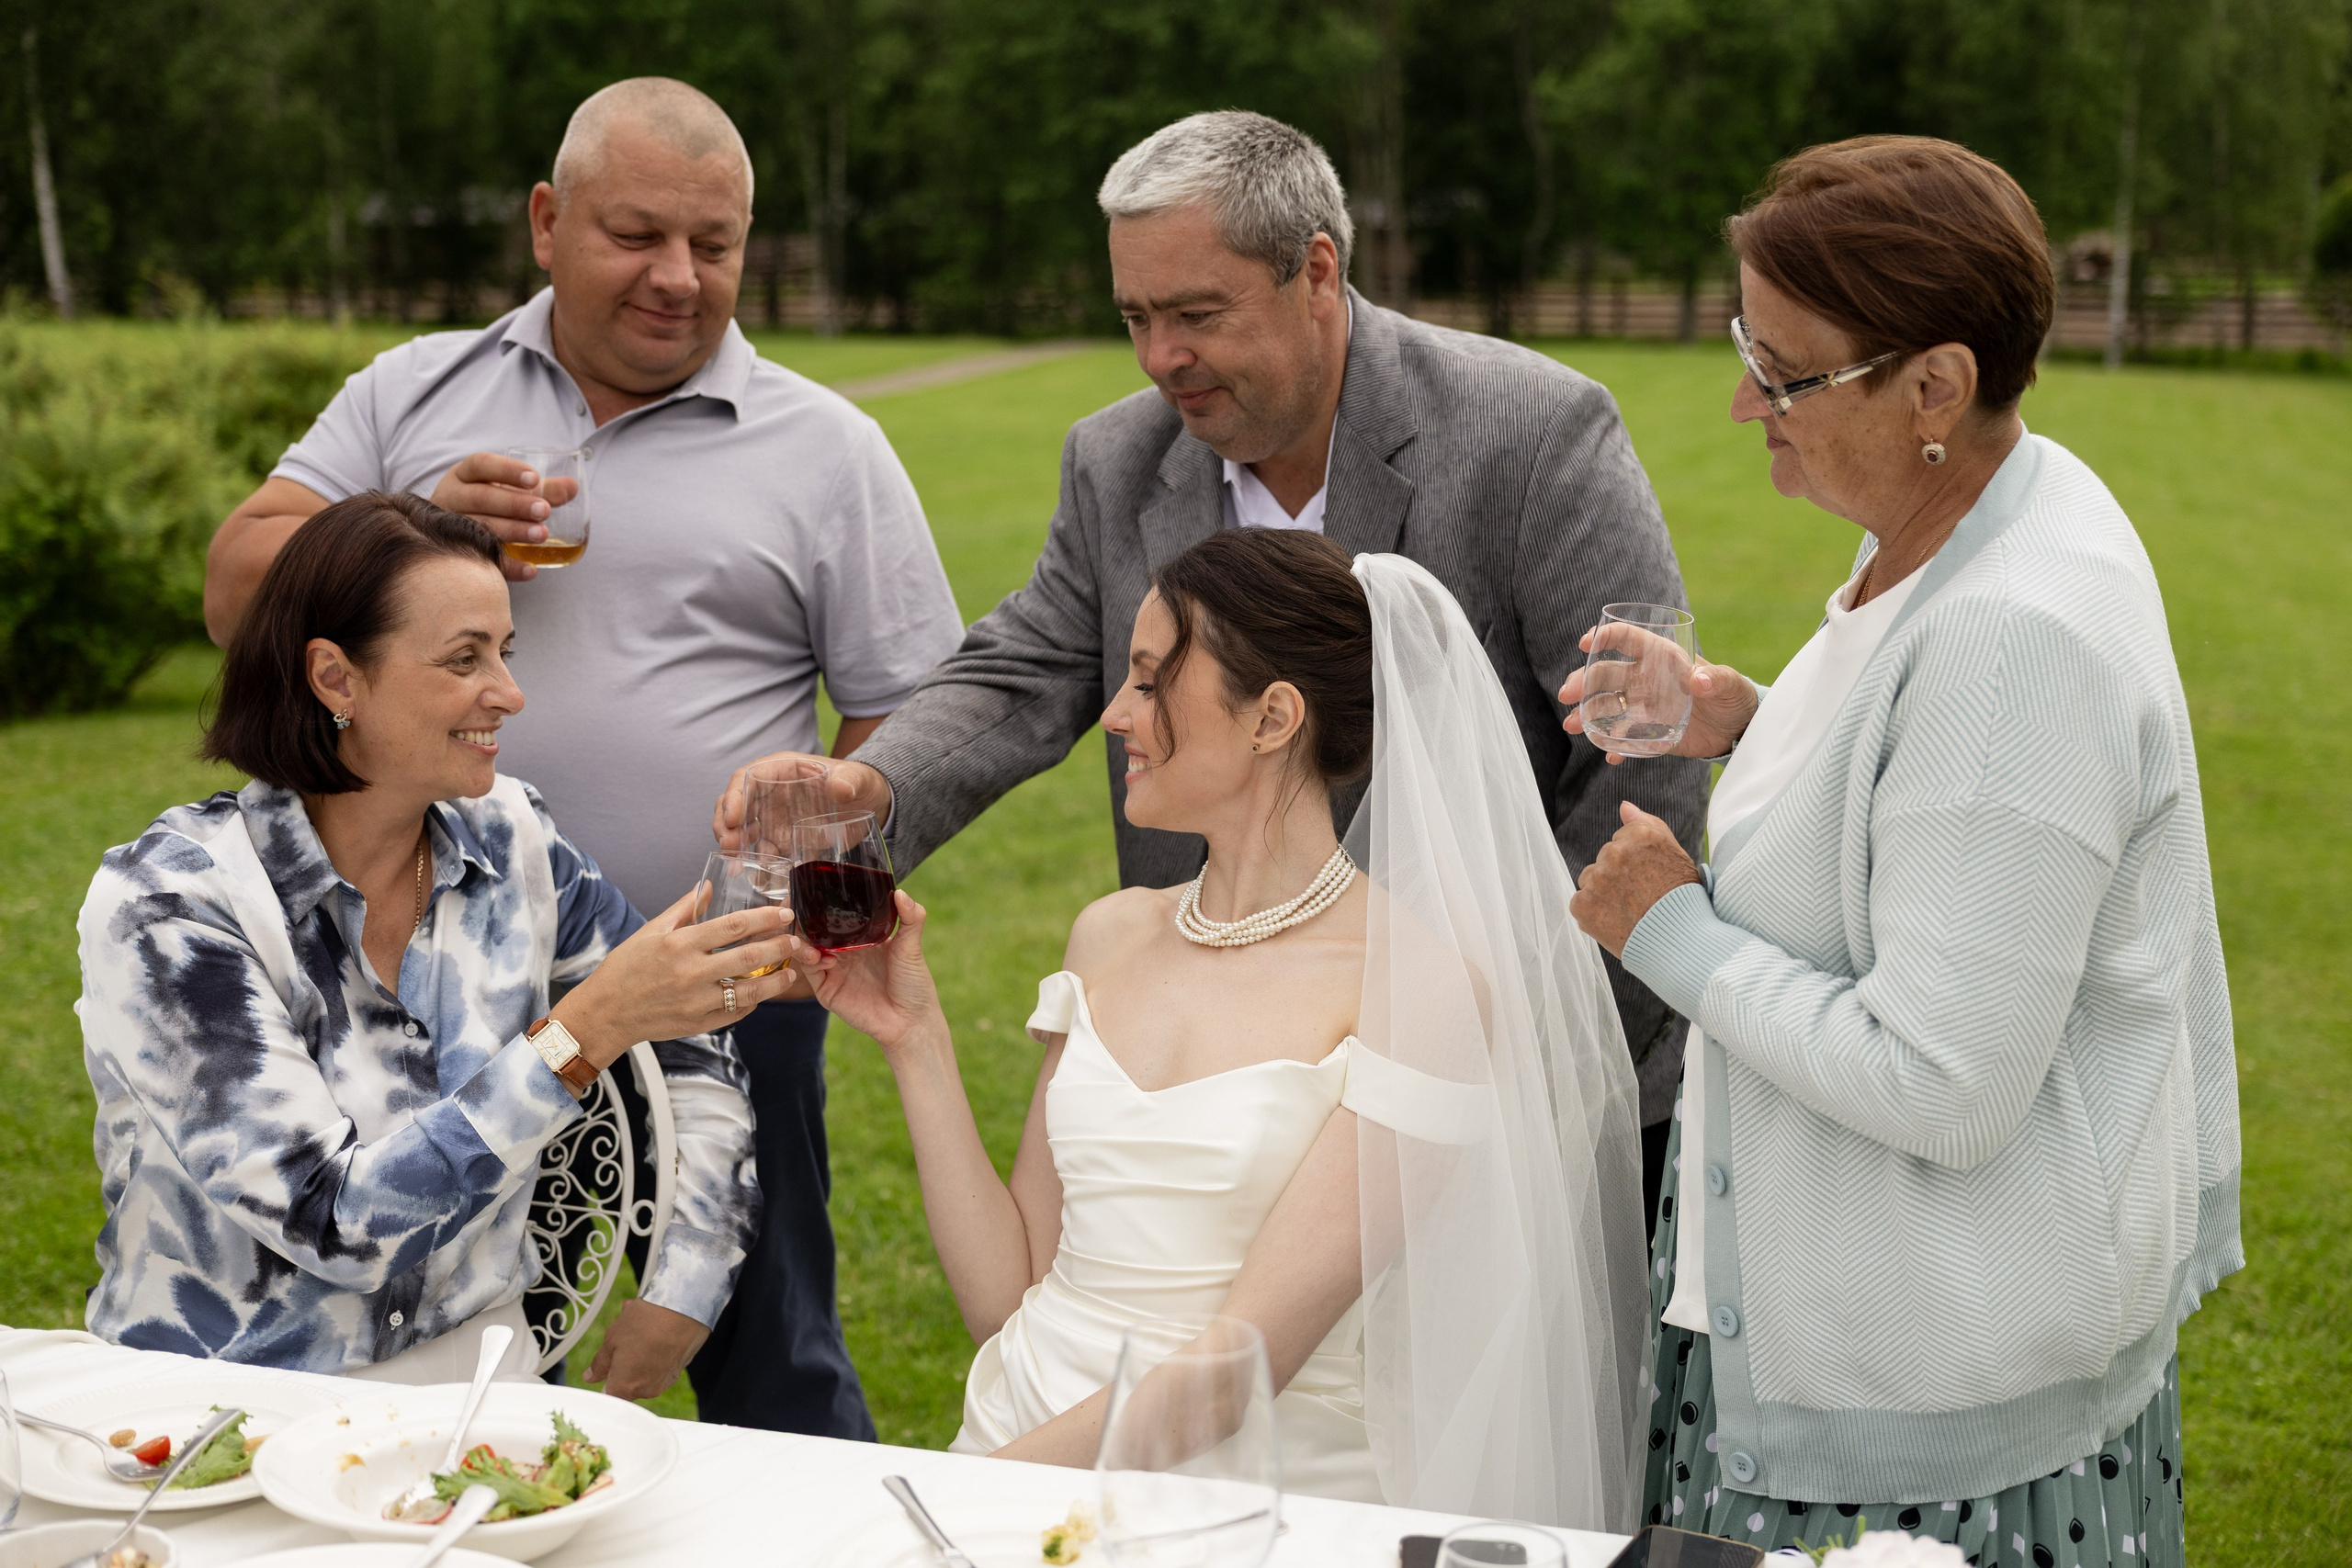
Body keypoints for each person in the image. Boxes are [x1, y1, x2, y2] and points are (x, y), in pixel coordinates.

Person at [715, 110, 1706, 1212]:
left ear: (1315, 273)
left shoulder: (1535, 432)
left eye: (1195, 314)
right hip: (1221, 1097)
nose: (1159, 358)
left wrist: (1526, 1065)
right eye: (1135, 316)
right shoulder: (1114, 456)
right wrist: (874, 786)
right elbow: (1025, 665)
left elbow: (1638, 768)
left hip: (1512, 1092)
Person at [198, 79, 965, 1435]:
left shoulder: (829, 448)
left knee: (762, 1347)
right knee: (420, 1332)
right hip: (412, 974)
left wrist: (804, 873)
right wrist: (407, 522)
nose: (679, 276)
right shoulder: (412, 387)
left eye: (714, 244)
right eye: (636, 234)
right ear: (547, 223)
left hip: (716, 988)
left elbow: (915, 704)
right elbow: (233, 588)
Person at [1562, 138, 2241, 1565]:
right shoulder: (1975, 510)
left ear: (1934, 384)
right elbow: (1921, 788)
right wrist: (1736, 714)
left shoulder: (2013, 633)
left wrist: (1667, 931)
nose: (1746, 397)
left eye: (1787, 369)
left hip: (1920, 1414)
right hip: (1889, 1329)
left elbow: (1945, 1079)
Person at [786, 529, 1650, 1529]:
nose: (1115, 714)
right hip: (1019, 1442)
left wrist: (955, 1503)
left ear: (1273, 716)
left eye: (1153, 684)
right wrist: (915, 1039)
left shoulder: (1419, 991)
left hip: (1236, 1506)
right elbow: (1008, 1295)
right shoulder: (1109, 934)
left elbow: (1232, 1377)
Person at [80, 492, 794, 1391]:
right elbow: (333, 1221)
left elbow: (689, 1043)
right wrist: (583, 1034)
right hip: (226, 1415)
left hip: (483, 1402)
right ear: (336, 679)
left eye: (504, 651)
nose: (509, 692)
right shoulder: (175, 904)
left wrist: (687, 1283)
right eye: (464, 660)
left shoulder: (513, 836)